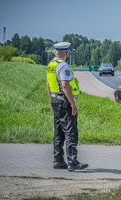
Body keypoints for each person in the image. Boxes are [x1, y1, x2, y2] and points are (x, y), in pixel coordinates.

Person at [46, 42, 88, 172]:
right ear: (67, 53)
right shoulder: (63, 66)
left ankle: (58, 161)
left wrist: (51, 102)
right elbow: (65, 85)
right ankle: (72, 162)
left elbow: (48, 85)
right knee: (71, 132)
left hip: (55, 101)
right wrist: (72, 104)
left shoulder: (51, 66)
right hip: (65, 103)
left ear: (55, 53)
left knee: (58, 132)